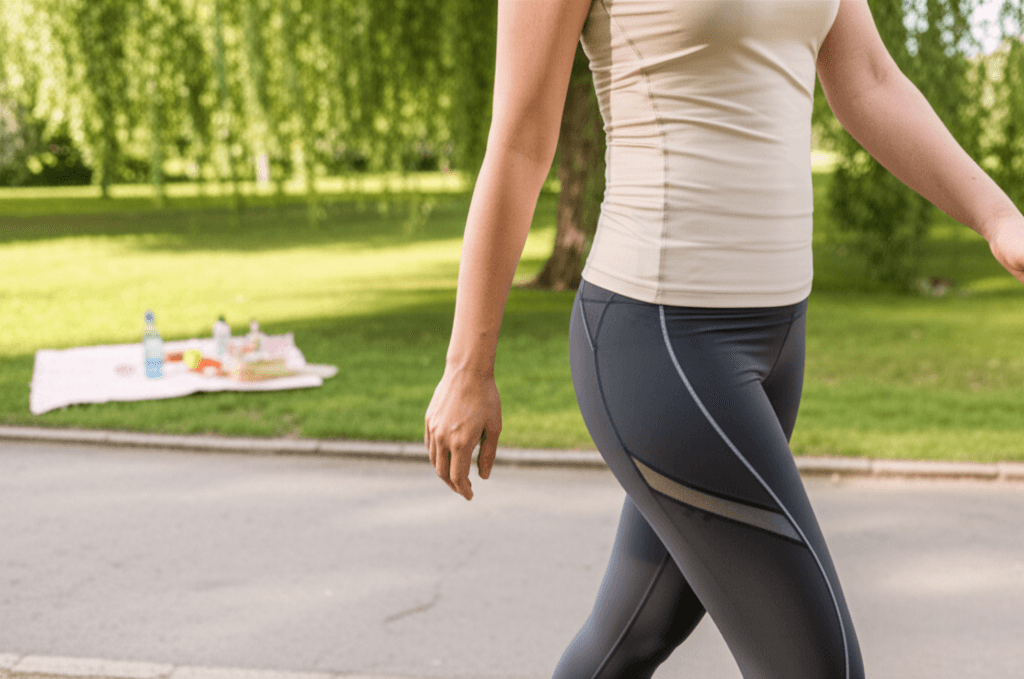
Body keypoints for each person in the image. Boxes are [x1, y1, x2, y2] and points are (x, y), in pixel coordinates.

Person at [423, 1, 1024, 677]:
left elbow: (869, 82)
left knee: (631, 636)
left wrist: (998, 218)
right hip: (660, 346)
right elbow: (521, 141)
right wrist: (467, 367)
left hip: (776, 339)